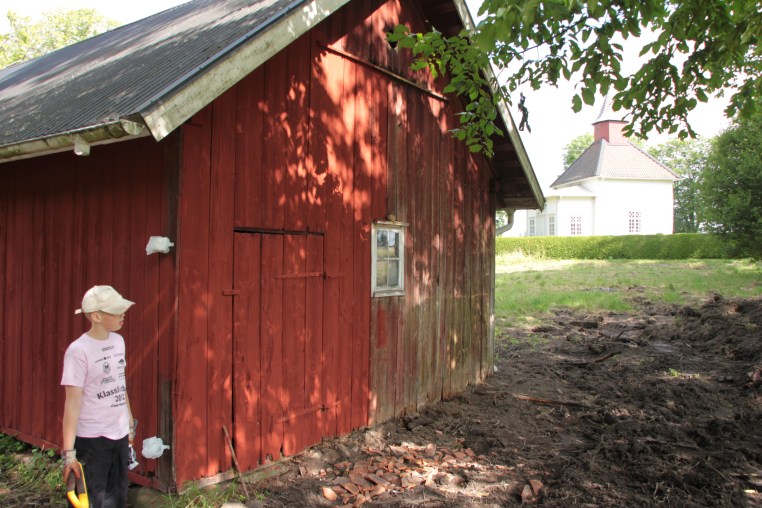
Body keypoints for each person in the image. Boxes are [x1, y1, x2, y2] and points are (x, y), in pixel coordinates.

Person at [61, 285, 137, 508]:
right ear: (96, 316)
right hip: (92, 440)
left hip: (120, 435)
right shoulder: (78, 351)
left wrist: (129, 424)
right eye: (116, 311)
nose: (123, 314)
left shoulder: (118, 341)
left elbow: (120, 384)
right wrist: (69, 454)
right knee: (90, 501)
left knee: (117, 498)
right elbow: (72, 405)